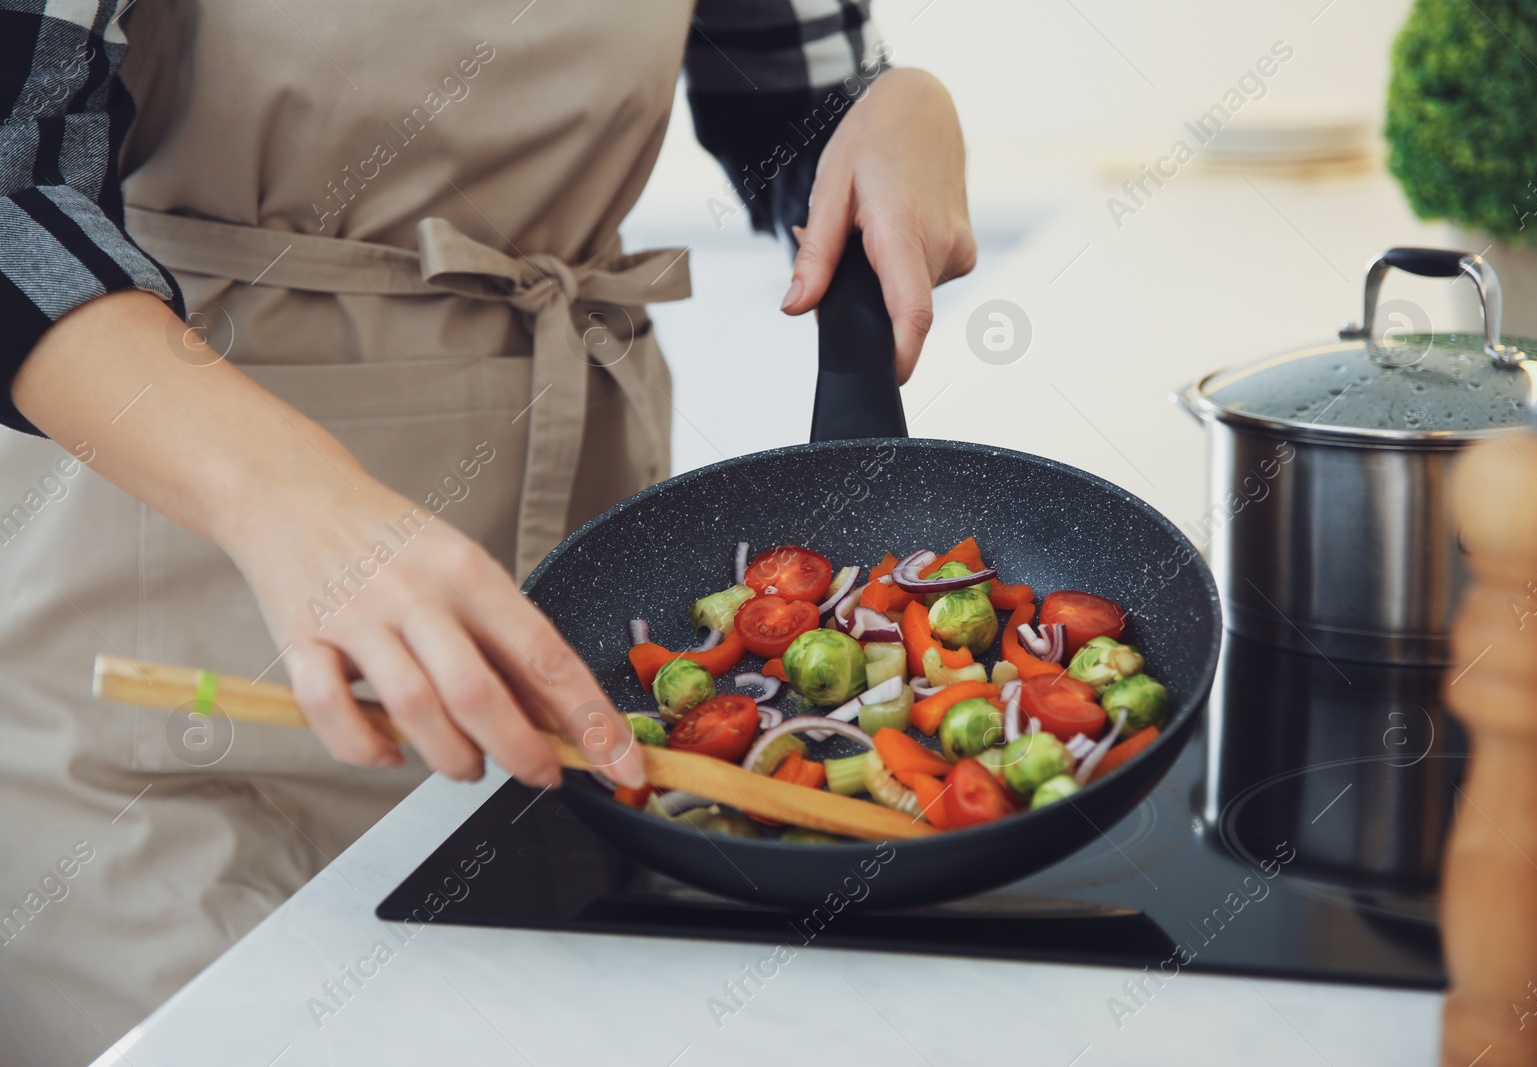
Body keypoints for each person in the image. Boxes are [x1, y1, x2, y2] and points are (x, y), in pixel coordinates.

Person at [0, 0, 974, 1061]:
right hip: (174, 632)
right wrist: (283, 494)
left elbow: (788, 109)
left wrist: (883, 115)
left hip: (569, 657)